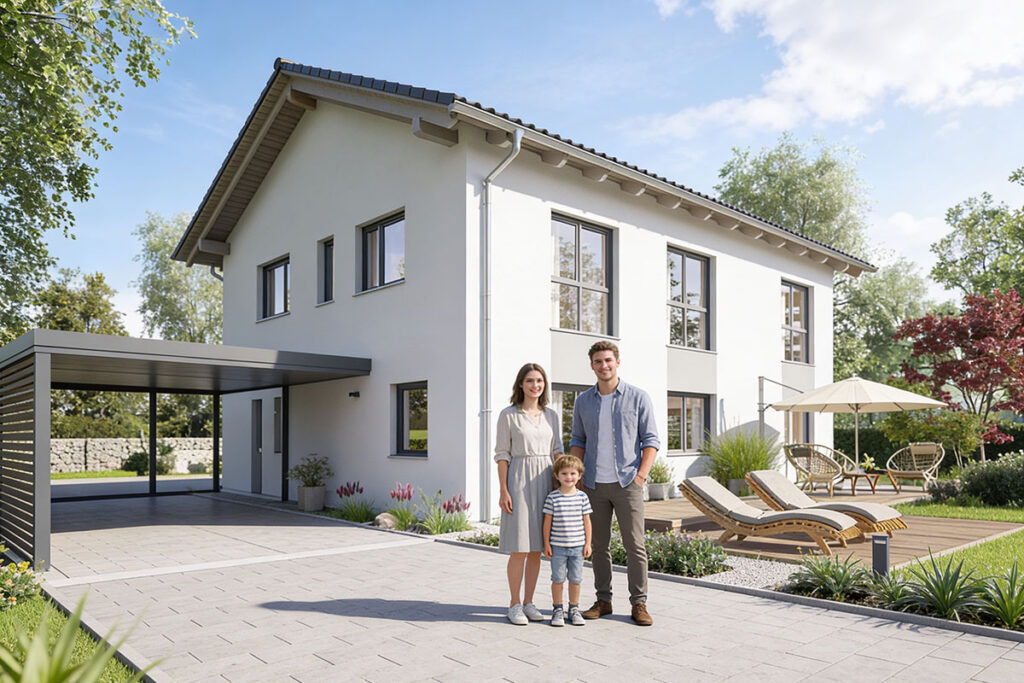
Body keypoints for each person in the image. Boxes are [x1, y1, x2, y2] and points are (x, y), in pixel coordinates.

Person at [570, 341, 659, 626]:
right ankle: (603, 600)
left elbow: (651, 441)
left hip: (627, 483)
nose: (603, 365)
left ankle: (639, 603)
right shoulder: (583, 401)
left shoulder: (638, 397)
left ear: (617, 362)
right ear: (592, 365)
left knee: (635, 546)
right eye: (598, 361)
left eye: (608, 360)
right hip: (594, 485)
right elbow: (578, 441)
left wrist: (641, 476)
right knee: (598, 546)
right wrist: (577, 476)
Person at [494, 362, 562, 625]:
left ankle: (529, 602)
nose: (536, 385)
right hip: (519, 480)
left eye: (540, 381)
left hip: (546, 479)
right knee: (519, 548)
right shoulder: (508, 415)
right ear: (521, 384)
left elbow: (558, 450)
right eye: (531, 380)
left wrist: (563, 486)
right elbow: (502, 455)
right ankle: (513, 604)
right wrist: (503, 490)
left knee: (537, 548)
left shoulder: (552, 416)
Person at [542, 455, 592, 627]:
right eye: (564, 473)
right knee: (557, 579)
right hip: (558, 548)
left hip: (578, 548)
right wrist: (547, 543)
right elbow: (547, 522)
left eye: (572, 473)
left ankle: (574, 609)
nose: (568, 477)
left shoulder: (582, 498)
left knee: (576, 579)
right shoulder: (553, 498)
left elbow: (587, 522)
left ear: (579, 475)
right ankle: (557, 609)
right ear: (557, 475)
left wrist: (587, 543)